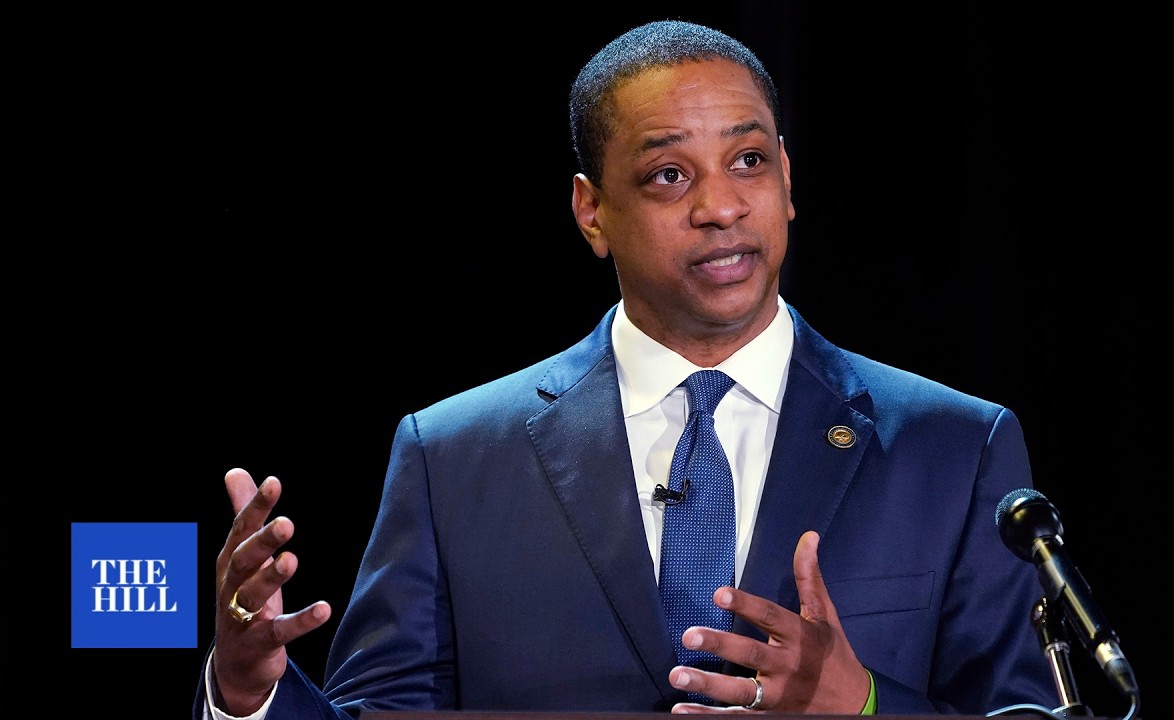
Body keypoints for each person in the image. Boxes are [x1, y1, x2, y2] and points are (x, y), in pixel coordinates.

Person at [194, 19, 1060, 719]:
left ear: (788, 180)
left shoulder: (955, 447)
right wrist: (248, 694)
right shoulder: (451, 457)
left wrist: (865, 705)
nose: (721, 207)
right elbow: (381, 715)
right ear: (591, 212)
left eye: (749, 161)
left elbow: (1027, 711)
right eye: (669, 174)